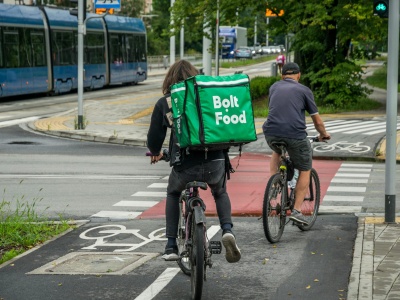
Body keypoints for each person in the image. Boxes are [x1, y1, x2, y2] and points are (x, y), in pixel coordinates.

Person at [146, 60, 241, 263]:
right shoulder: (208, 97)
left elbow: (154, 138)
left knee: (172, 193)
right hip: (216, 162)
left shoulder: (168, 102)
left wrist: (155, 151)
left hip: (185, 166)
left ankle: (171, 245)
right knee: (220, 191)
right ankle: (227, 230)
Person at [262, 62, 331, 225]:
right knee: (305, 169)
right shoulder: (304, 90)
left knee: (277, 150)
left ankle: (274, 183)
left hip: (271, 133)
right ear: (299, 75)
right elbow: (317, 121)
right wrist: (324, 134)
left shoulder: (274, 87)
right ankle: (297, 210)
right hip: (295, 135)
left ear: (282, 75)